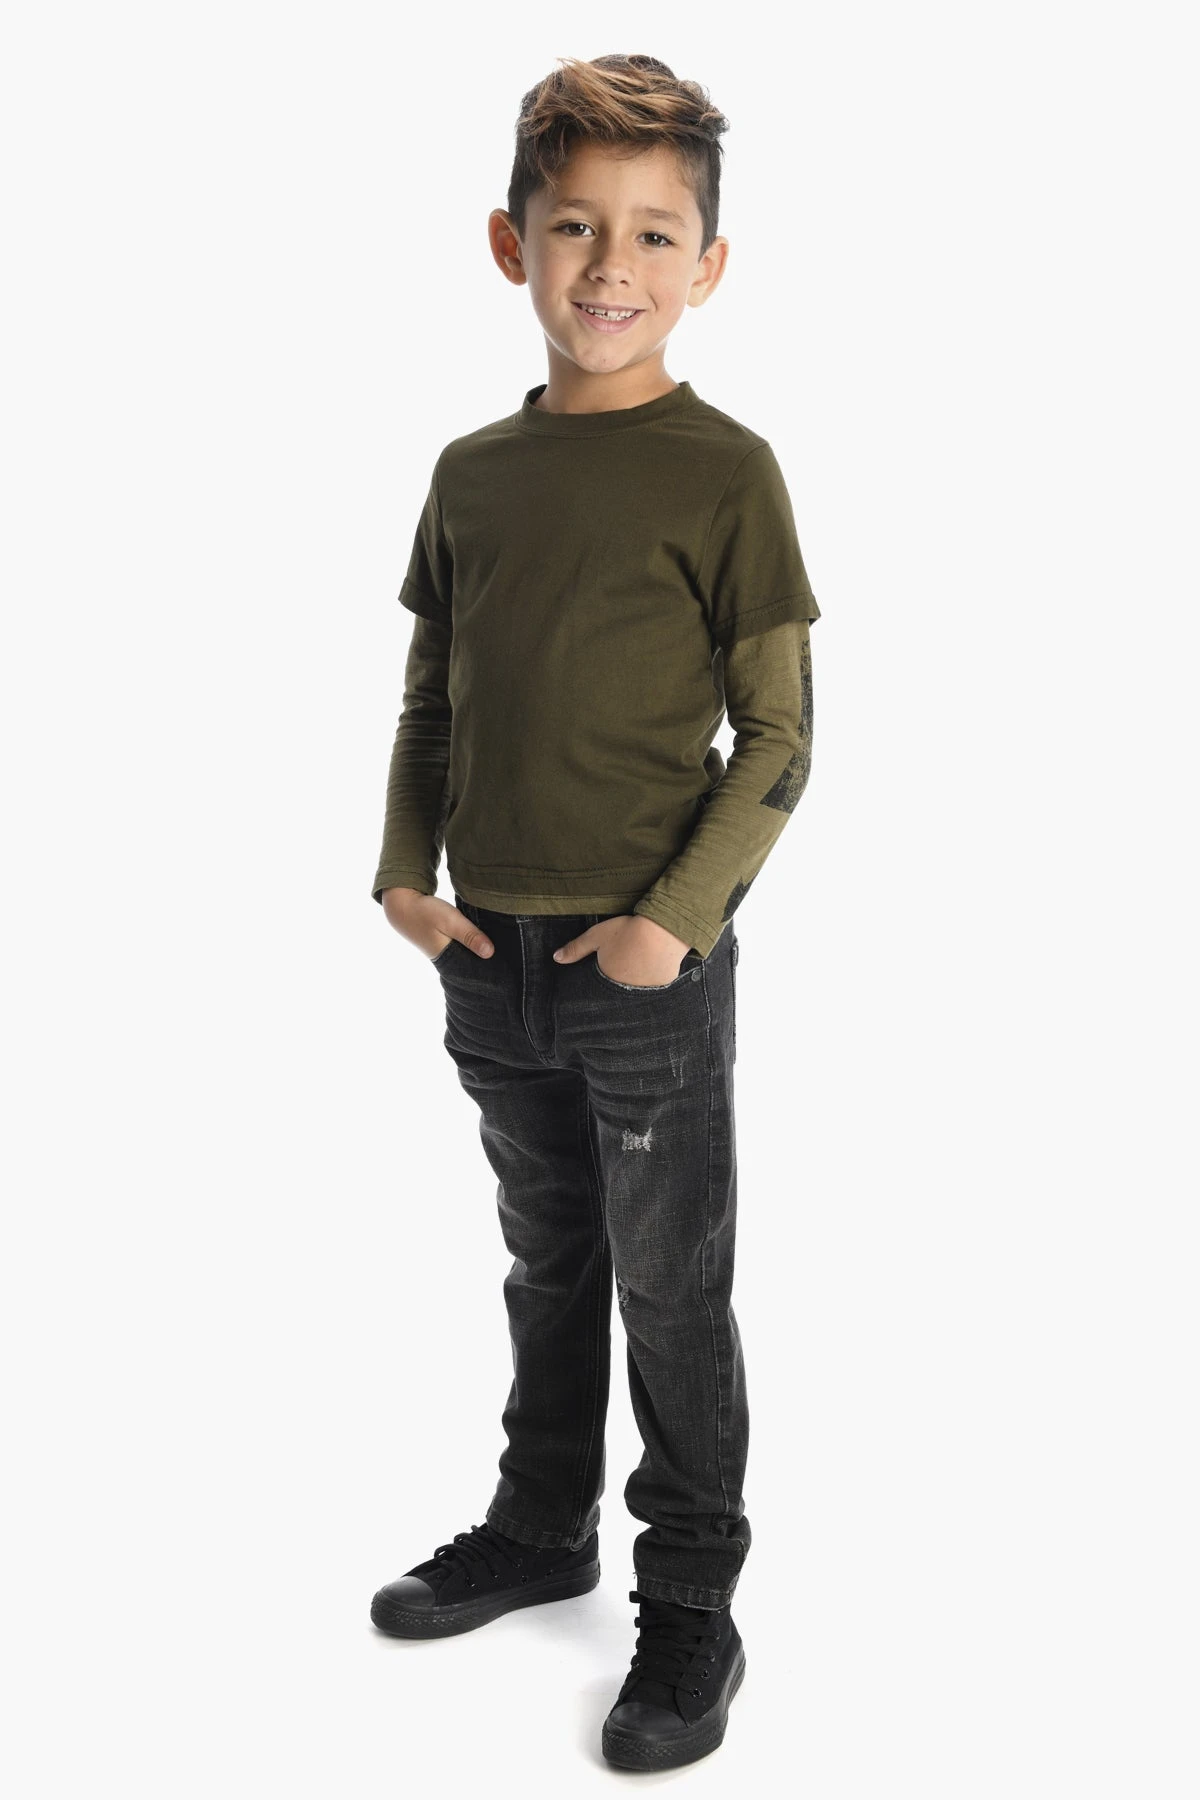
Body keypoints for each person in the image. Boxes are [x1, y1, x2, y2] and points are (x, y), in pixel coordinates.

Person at [367, 52, 820, 1773]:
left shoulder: (727, 472)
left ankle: (691, 1599)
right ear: (513, 244)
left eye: (652, 233)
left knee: (670, 1291)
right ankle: (539, 1523)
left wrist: (671, 924)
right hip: (490, 960)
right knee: (548, 1259)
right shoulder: (471, 472)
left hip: (646, 972)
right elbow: (432, 700)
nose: (609, 265)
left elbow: (780, 735)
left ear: (710, 265)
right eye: (574, 226)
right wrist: (407, 879)